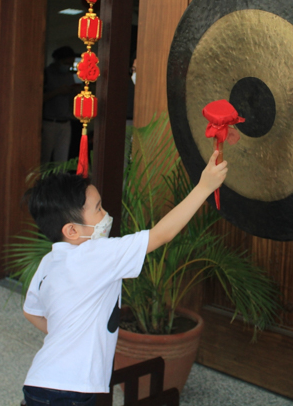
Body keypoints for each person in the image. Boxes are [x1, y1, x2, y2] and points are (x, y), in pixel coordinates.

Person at [21, 150, 228, 406]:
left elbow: (31, 311)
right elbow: (161, 235)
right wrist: (204, 187)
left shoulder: (48, 262)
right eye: (97, 209)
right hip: (70, 390)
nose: (105, 213)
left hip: (39, 382)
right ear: (72, 230)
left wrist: (69, 332)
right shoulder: (94, 254)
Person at [41, 46, 82, 164]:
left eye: (71, 63)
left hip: (65, 121)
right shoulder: (46, 74)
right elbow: (39, 99)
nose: (68, 66)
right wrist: (58, 91)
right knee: (45, 157)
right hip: (49, 121)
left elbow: (70, 100)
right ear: (57, 60)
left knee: (62, 159)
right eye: (66, 63)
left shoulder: (69, 76)